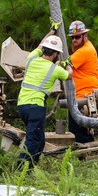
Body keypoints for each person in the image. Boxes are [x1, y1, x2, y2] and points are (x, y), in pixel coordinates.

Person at [17, 34, 70, 166]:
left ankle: (33, 165)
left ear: (44, 49)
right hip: (36, 107)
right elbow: (70, 75)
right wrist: (68, 64)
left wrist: (51, 32)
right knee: (33, 139)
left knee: (39, 139)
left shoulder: (31, 58)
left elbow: (40, 44)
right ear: (56, 54)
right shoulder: (55, 69)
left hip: (22, 105)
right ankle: (21, 170)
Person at [66, 20, 98, 144]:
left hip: (83, 98)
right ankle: (83, 159)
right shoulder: (84, 49)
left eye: (77, 37)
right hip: (80, 97)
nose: (74, 40)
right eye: (72, 38)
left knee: (81, 134)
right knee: (77, 132)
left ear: (84, 36)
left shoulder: (84, 51)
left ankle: (90, 157)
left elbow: (65, 64)